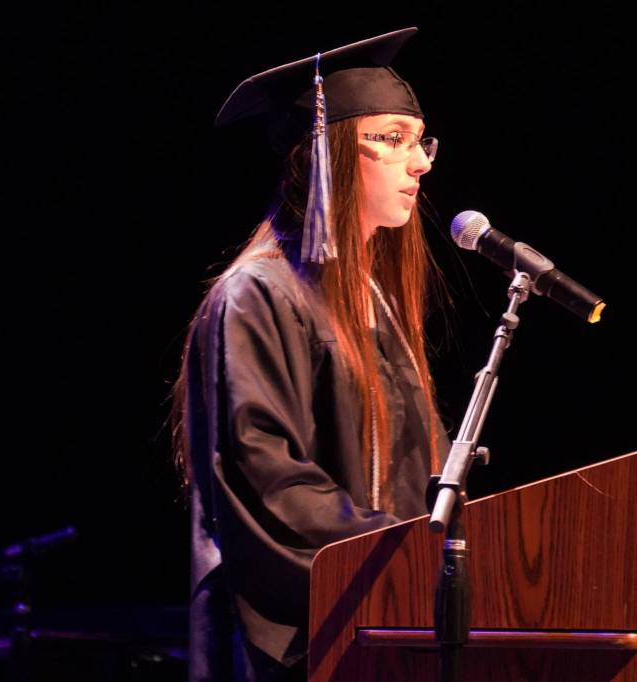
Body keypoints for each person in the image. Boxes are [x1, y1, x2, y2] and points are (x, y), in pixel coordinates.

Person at [170, 28, 450, 682]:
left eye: (422, 140)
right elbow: (269, 479)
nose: (422, 164)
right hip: (303, 641)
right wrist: (401, 553)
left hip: (387, 628)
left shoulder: (373, 302)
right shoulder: (257, 297)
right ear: (324, 156)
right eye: (393, 140)